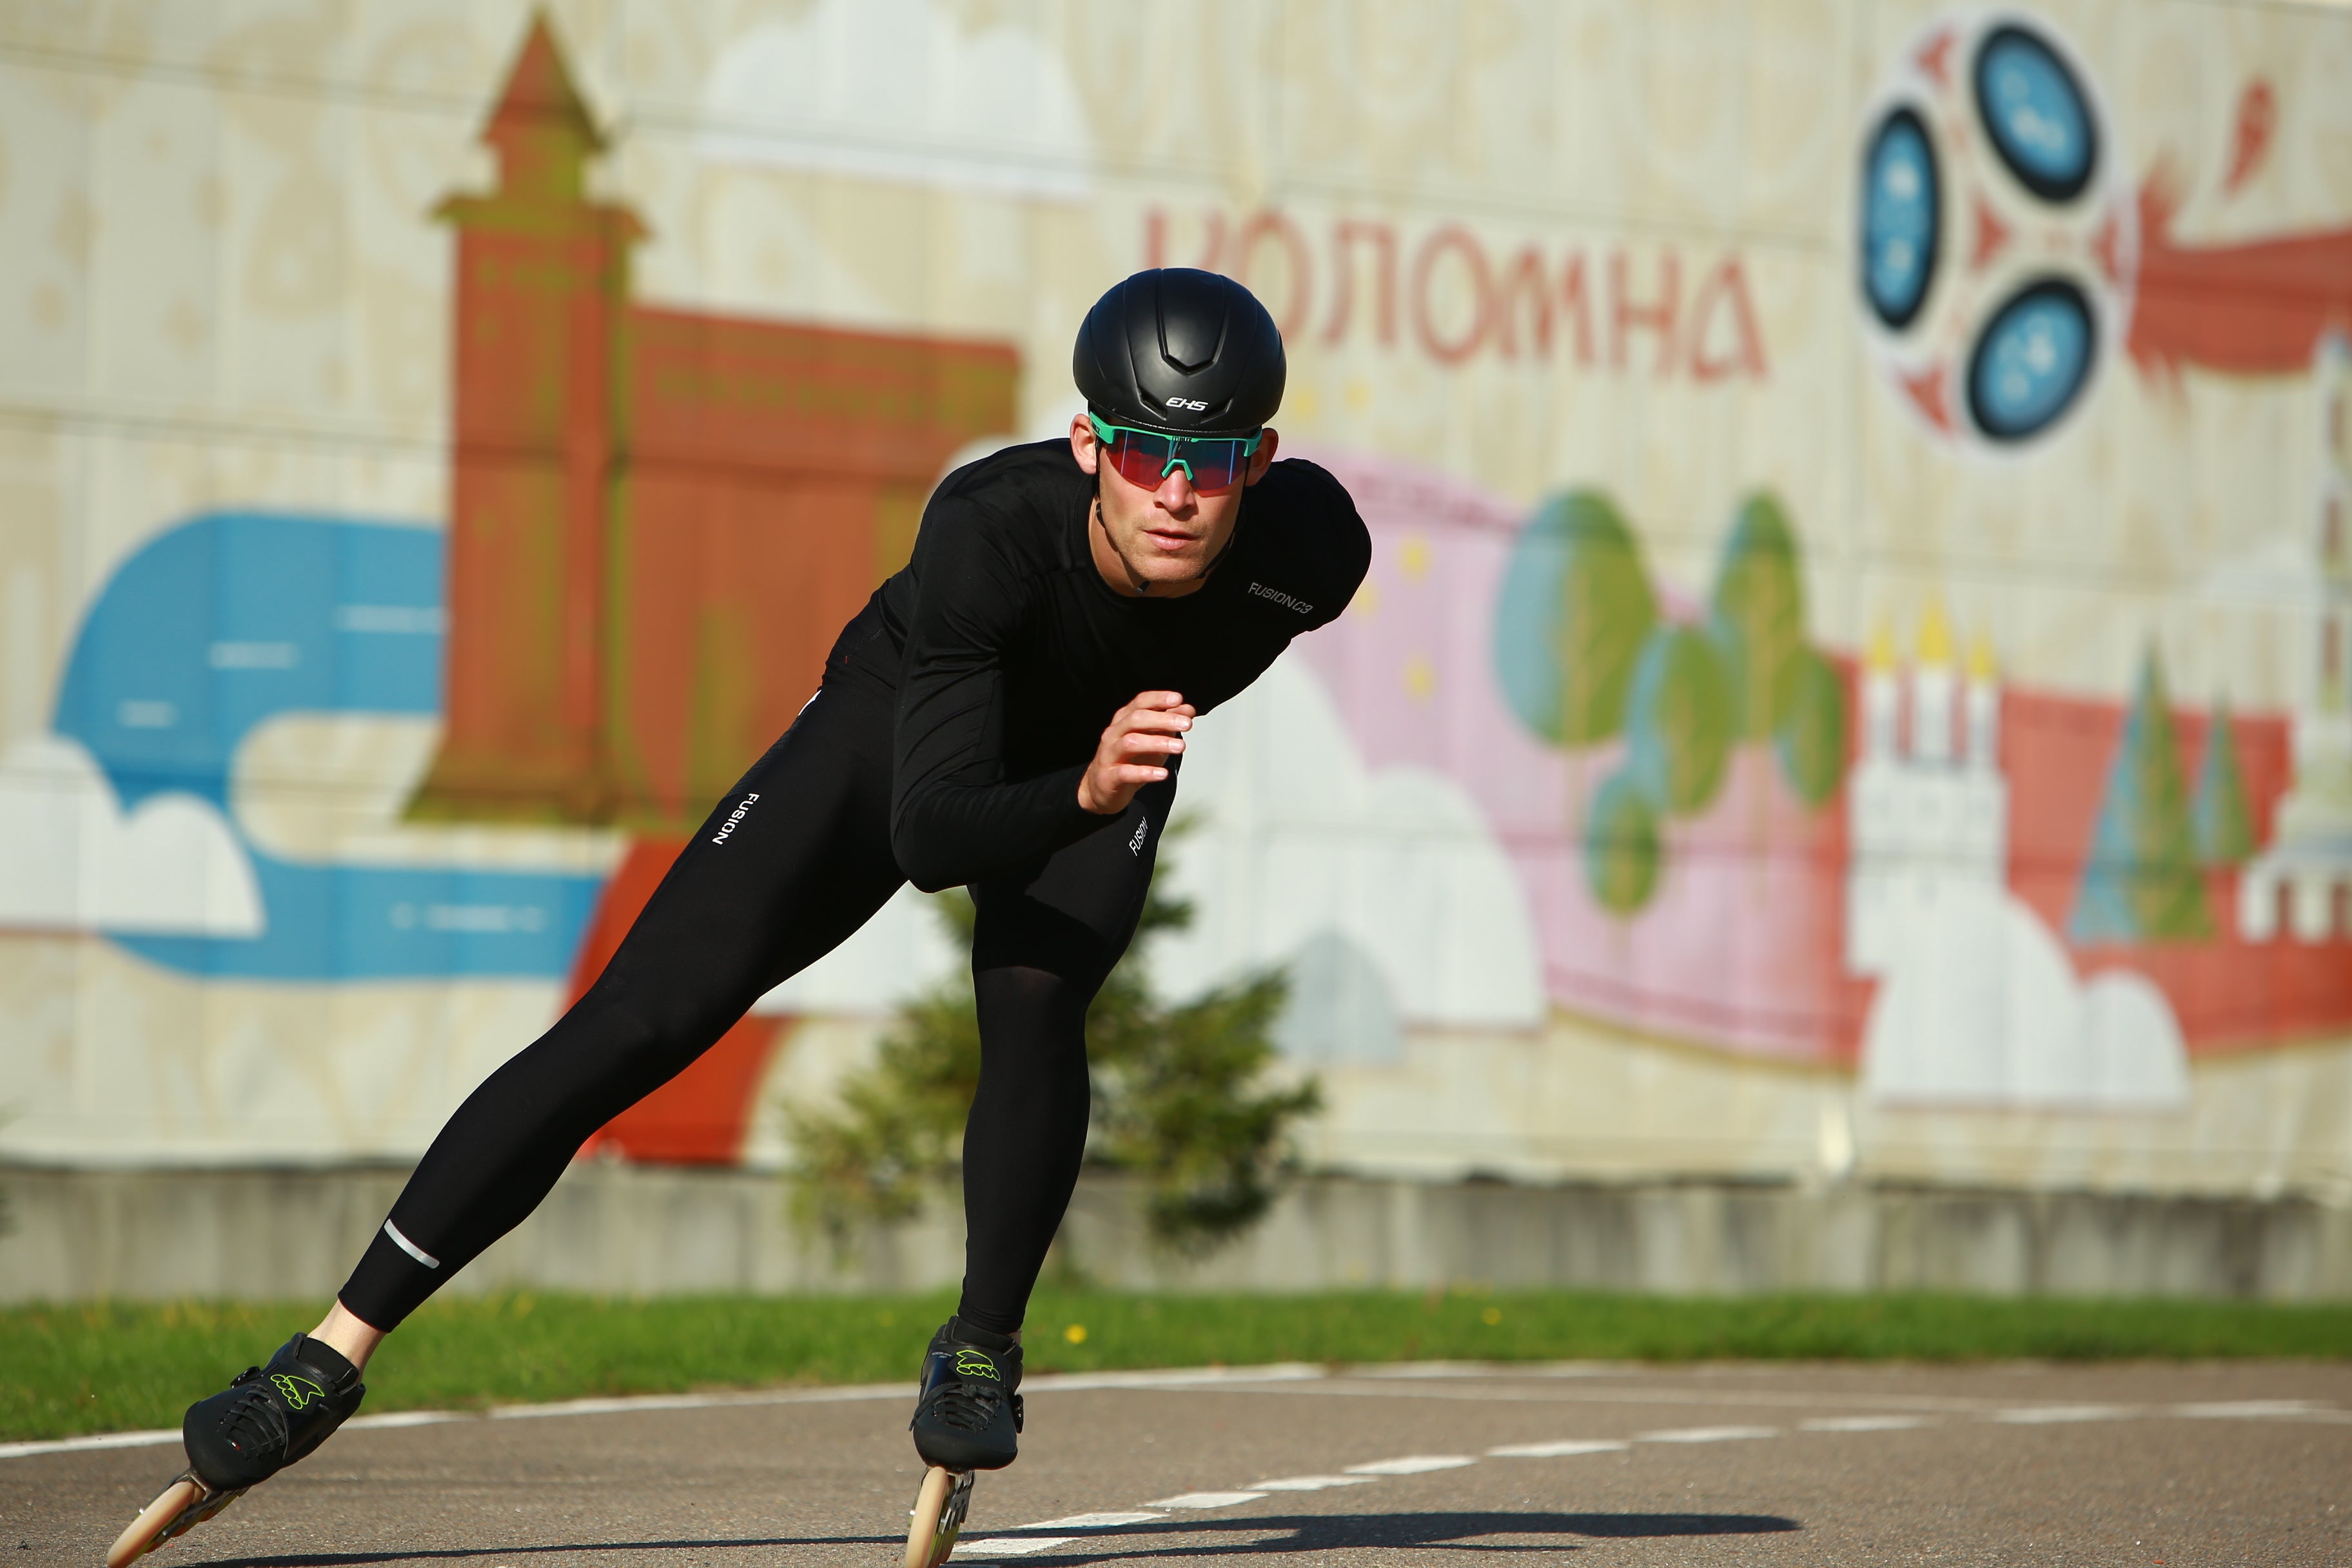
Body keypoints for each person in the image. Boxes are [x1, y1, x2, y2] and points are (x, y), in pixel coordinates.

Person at [155, 267, 1368, 1520]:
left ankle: (979, 1352)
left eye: (1211, 462)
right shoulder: (989, 528)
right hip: (908, 734)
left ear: (1260, 462)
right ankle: (323, 1359)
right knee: (642, 1016)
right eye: (1146, 453)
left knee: (1038, 1003)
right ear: (1087, 444)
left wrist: (1102, 781)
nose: (1176, 494)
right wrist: (1089, 790)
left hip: (1109, 747)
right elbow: (930, 833)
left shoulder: (1313, 552)